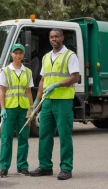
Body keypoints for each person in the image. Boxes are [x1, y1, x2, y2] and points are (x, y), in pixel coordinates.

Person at [29, 29, 80, 180]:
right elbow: (43, 81)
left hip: (63, 101)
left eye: (57, 36)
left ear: (62, 38)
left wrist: (57, 85)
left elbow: (75, 77)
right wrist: (37, 101)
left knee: (64, 135)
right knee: (44, 134)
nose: (54, 39)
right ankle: (45, 166)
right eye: (52, 37)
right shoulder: (46, 57)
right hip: (47, 101)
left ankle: (66, 168)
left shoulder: (70, 56)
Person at [0, 43, 34, 178]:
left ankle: (22, 166)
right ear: (11, 54)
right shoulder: (5, 71)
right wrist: (2, 108)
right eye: (15, 53)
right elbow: (2, 92)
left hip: (23, 109)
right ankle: (4, 167)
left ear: (23, 55)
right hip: (9, 109)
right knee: (6, 138)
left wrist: (31, 108)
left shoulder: (28, 72)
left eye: (20, 53)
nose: (18, 55)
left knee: (23, 138)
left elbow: (29, 92)